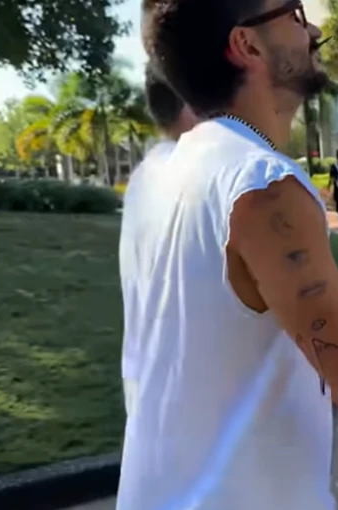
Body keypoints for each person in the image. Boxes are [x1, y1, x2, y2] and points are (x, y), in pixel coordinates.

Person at [121, 0, 338, 509]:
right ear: (246, 45)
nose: (312, 30)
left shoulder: (159, 176)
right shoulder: (260, 180)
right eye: (294, 14)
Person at [118, 64, 199, 418]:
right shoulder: (205, 174)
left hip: (154, 404)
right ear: (190, 103)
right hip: (197, 415)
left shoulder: (147, 174)